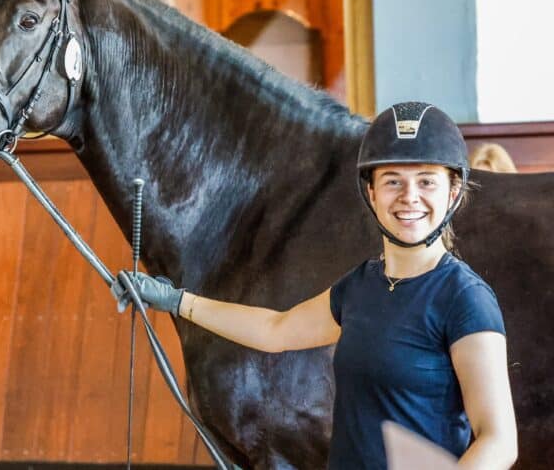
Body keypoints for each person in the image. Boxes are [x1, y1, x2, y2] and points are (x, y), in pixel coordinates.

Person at [112, 102, 518, 470]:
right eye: (393, 181)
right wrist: (177, 300)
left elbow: (499, 442)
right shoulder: (361, 286)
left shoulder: (465, 299)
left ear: (453, 192)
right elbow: (276, 330)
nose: (409, 197)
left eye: (427, 181)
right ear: (372, 192)